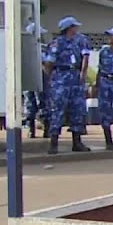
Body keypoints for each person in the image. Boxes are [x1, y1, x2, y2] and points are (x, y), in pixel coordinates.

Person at [43, 16, 91, 154]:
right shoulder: (56, 44)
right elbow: (49, 63)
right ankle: (54, 143)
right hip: (61, 79)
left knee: (77, 110)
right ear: (69, 28)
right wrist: (52, 79)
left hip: (75, 77)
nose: (76, 29)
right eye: (74, 26)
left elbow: (85, 58)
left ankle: (77, 142)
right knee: (58, 110)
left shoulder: (80, 41)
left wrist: (82, 74)